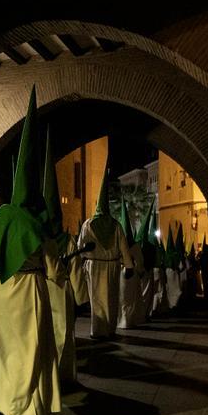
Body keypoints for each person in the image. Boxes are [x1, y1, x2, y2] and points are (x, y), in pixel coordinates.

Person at [0, 86, 62, 415]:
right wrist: (58, 279)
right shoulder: (37, 224)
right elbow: (53, 263)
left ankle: (3, 404)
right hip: (30, 293)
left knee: (3, 351)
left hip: (0, 290)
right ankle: (21, 411)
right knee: (28, 354)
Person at [40, 127, 77, 384]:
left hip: (38, 289)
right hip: (58, 287)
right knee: (60, 330)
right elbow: (70, 267)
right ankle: (60, 374)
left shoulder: (35, 234)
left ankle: (49, 374)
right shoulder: (65, 240)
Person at [78, 173, 133, 339]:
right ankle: (110, 329)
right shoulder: (115, 225)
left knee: (97, 300)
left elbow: (81, 246)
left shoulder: (88, 224)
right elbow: (123, 246)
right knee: (111, 298)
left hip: (93, 267)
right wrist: (128, 265)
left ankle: (97, 330)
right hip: (112, 266)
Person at [117, 196, 146, 329]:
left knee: (122, 299)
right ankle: (128, 320)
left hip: (120, 274)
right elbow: (139, 262)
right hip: (132, 274)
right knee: (130, 299)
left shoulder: (117, 244)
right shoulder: (135, 247)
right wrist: (140, 271)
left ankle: (122, 321)